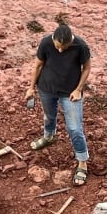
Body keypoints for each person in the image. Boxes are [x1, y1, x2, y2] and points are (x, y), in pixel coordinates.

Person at [24, 24, 92, 186]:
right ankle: (49, 137)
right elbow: (37, 65)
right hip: (46, 88)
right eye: (57, 47)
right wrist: (31, 88)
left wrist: (78, 89)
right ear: (53, 40)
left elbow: (87, 68)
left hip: (70, 93)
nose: (60, 50)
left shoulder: (81, 46)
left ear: (71, 41)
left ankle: (82, 161)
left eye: (64, 47)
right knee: (49, 116)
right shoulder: (46, 42)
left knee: (74, 128)